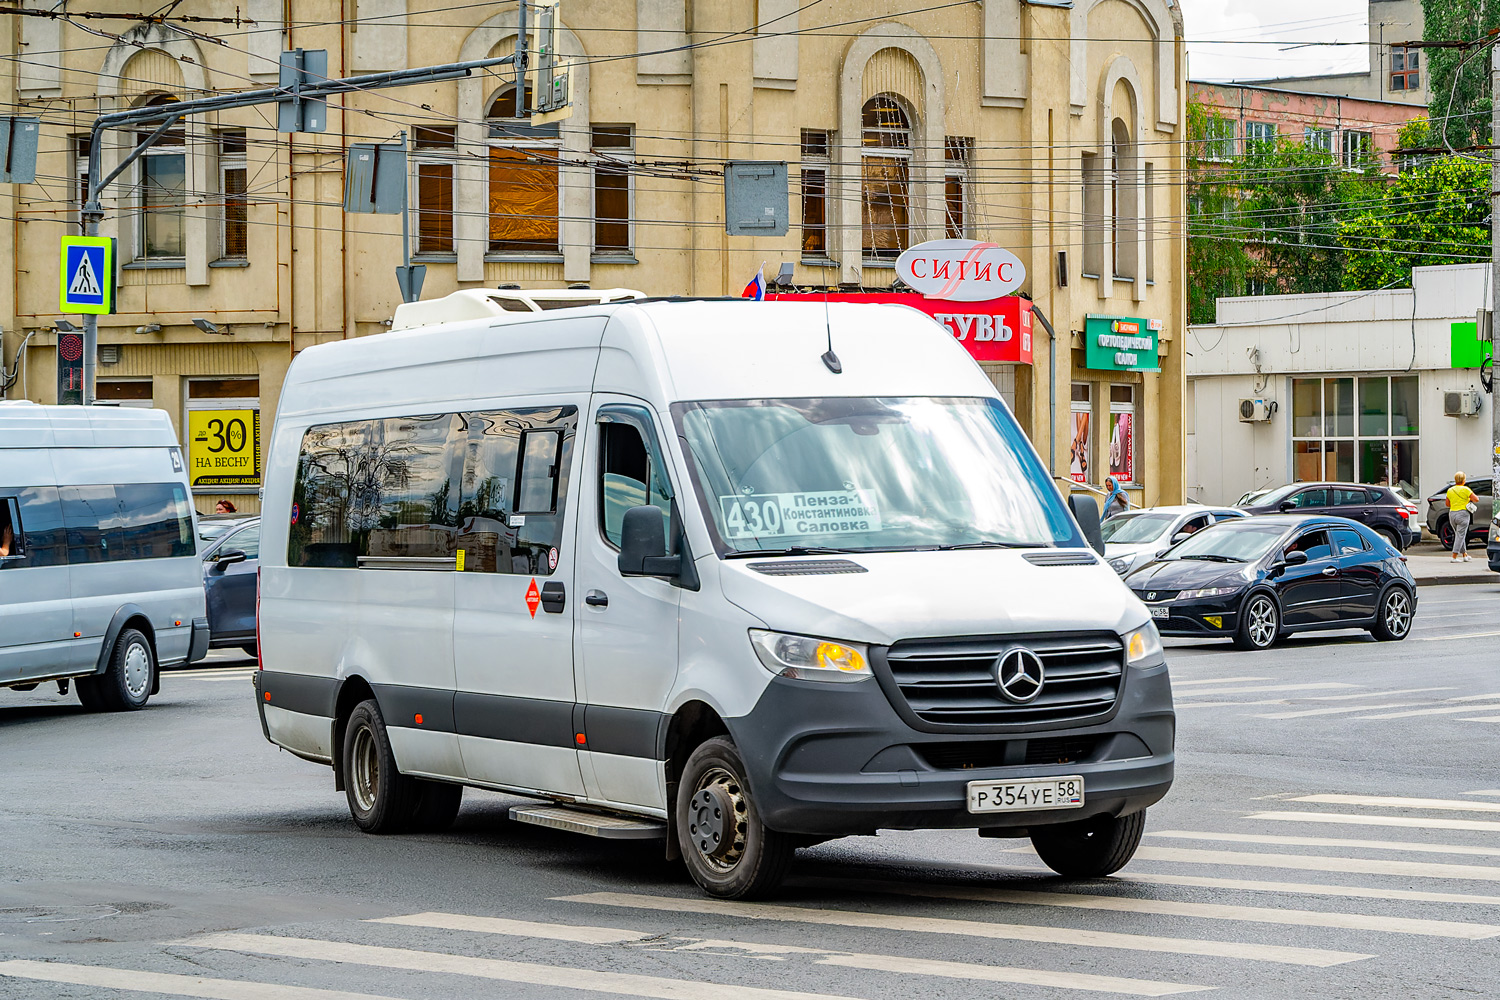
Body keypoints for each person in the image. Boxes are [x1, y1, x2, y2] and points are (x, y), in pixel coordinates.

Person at [1447, 472, 1476, 562]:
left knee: (1459, 534)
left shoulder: (1450, 490)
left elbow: (1447, 504)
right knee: (1460, 535)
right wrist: (1467, 499)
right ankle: (1454, 556)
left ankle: (1464, 555)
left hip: (1452, 514)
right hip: (1463, 514)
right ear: (1464, 480)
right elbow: (1476, 499)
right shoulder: (1466, 489)